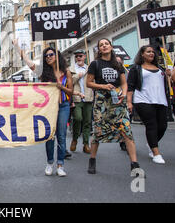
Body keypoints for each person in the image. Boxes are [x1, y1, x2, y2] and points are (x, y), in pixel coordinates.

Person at [14, 40, 73, 177]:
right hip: (49, 108)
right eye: (46, 56)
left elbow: (70, 92)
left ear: (57, 56)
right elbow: (28, 62)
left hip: (63, 106)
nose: (49, 57)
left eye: (51, 54)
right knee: (50, 136)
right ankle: (50, 163)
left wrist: (61, 87)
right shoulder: (43, 73)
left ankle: (60, 165)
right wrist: (17, 47)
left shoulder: (67, 73)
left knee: (62, 136)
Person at [86, 39, 143, 176]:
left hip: (118, 102)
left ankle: (134, 165)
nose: (104, 46)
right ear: (99, 49)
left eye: (106, 44)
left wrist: (123, 94)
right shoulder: (95, 64)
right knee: (98, 132)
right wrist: (103, 86)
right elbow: (88, 83)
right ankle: (92, 160)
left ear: (111, 47)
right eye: (101, 45)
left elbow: (124, 83)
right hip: (102, 102)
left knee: (126, 130)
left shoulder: (117, 64)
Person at [127, 46, 171, 164]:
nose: (151, 53)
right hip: (143, 100)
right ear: (142, 54)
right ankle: (156, 153)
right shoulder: (136, 69)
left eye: (152, 52)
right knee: (151, 125)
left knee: (162, 126)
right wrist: (129, 102)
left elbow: (165, 85)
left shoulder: (160, 69)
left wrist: (168, 76)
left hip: (160, 100)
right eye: (148, 51)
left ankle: (152, 143)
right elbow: (130, 87)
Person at [69, 49, 92, 154]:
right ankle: (75, 139)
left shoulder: (89, 68)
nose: (78, 58)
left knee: (87, 121)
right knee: (78, 118)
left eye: (80, 56)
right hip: (77, 98)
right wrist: (78, 76)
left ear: (84, 57)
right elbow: (69, 83)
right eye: (77, 56)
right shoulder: (70, 69)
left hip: (88, 97)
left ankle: (86, 143)